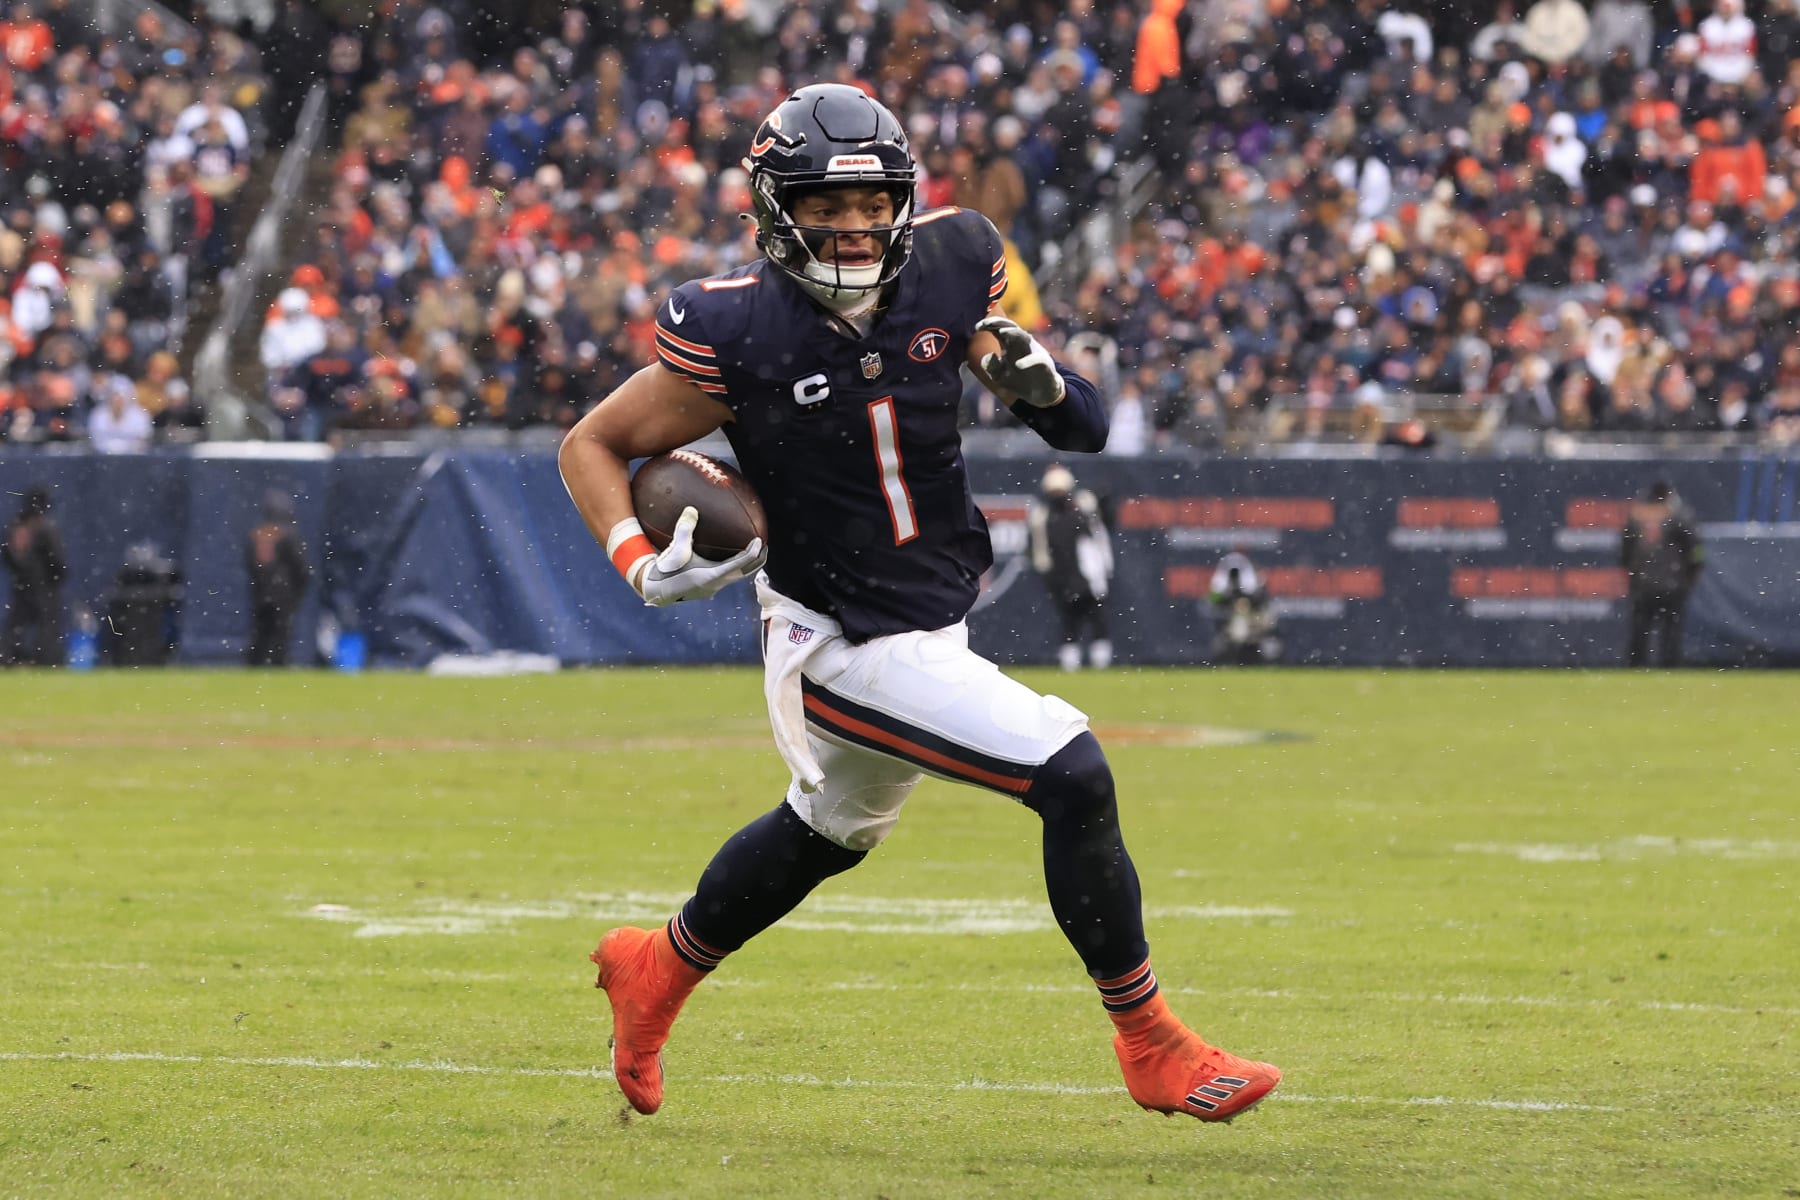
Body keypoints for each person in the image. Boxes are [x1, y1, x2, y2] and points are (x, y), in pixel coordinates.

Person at [558, 83, 1279, 1124]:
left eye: (870, 205)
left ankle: (653, 972)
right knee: (1072, 773)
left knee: (823, 834)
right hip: (837, 643)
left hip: (931, 614)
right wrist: (635, 557)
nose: (853, 228)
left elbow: (1079, 430)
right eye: (824, 205)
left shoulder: (952, 265)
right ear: (773, 208)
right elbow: (592, 442)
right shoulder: (737, 328)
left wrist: (1047, 388)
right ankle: (1151, 1041)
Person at [1027, 464, 1115, 670]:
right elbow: (1038, 549)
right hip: (1063, 575)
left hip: (1090, 573)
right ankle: (1071, 663)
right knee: (1070, 621)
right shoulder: (1043, 515)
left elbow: (1101, 529)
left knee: (1096, 618)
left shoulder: (1084, 506)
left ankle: (1099, 662)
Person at [1620, 479, 1704, 667]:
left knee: (1640, 630)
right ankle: (1669, 666)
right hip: (1672, 584)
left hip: (1643, 584)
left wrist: (1633, 575)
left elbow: (1624, 553)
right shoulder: (1679, 516)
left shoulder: (1637, 517)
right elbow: (1696, 550)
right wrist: (1691, 575)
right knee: (1671, 632)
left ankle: (1636, 666)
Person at [2, 485, 67, 667]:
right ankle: (45, 662)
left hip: (23, 586)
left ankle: (9, 659)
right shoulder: (46, 529)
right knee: (46, 629)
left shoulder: (16, 526)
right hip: (43, 588)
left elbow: (9, 558)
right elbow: (59, 563)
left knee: (16, 628)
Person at [245, 492, 312, 666]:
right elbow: (301, 567)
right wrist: (297, 591)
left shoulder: (256, 534)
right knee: (281, 633)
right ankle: (277, 664)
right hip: (283, 593)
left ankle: (255, 664)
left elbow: (249, 564)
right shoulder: (288, 535)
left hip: (261, 592)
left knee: (260, 632)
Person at [1208, 550, 1280, 665]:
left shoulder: (1255, 584)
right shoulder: (1224, 584)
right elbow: (1214, 599)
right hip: (1238, 617)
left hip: (1256, 615)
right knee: (1238, 634)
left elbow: (1260, 601)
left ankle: (1266, 662)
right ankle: (1235, 662)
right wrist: (1232, 600)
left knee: (1268, 637)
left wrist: (1246, 601)